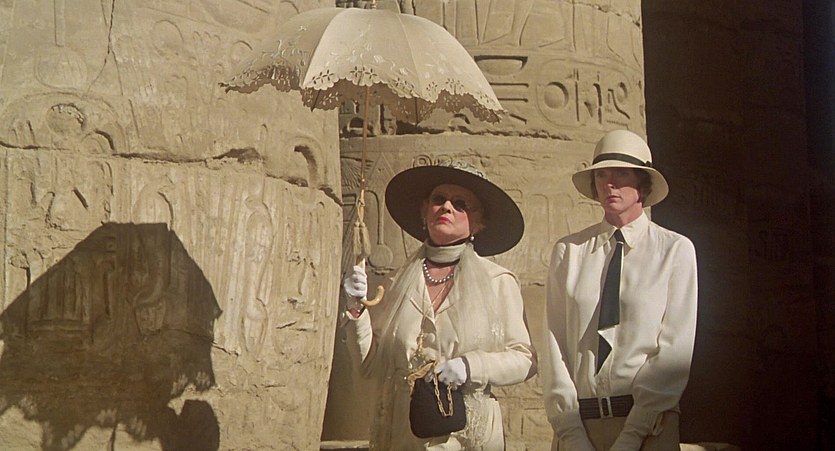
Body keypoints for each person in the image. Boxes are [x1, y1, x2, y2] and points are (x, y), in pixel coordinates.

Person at [342, 160, 536, 450]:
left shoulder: (497, 282)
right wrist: (356, 309)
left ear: (478, 222)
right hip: (403, 436)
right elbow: (370, 366)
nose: (446, 207)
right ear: (424, 211)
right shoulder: (397, 284)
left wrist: (471, 366)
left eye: (460, 204)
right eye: (438, 199)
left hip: (467, 435)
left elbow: (524, 360)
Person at [541, 130, 698, 450]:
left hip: (649, 426)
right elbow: (553, 343)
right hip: (580, 427)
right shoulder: (570, 251)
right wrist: (571, 434)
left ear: (643, 184)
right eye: (601, 175)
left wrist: (632, 436)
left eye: (621, 174)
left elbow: (674, 350)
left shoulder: (673, 250)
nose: (609, 183)